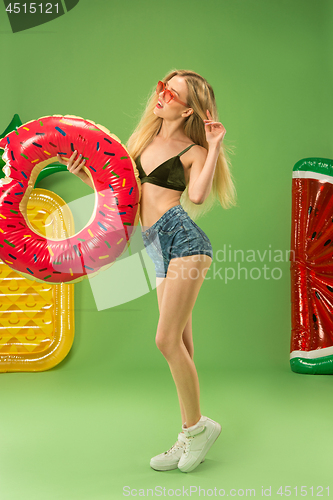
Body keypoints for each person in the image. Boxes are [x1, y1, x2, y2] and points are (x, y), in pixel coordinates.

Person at [57, 69, 236, 473]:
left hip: (185, 241)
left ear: (187, 107)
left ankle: (197, 430)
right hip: (155, 247)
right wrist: (82, 173)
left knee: (166, 340)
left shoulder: (192, 150)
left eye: (171, 93)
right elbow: (120, 194)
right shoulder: (140, 145)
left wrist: (215, 144)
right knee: (182, 348)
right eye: (161, 87)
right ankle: (191, 430)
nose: (161, 95)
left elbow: (197, 194)